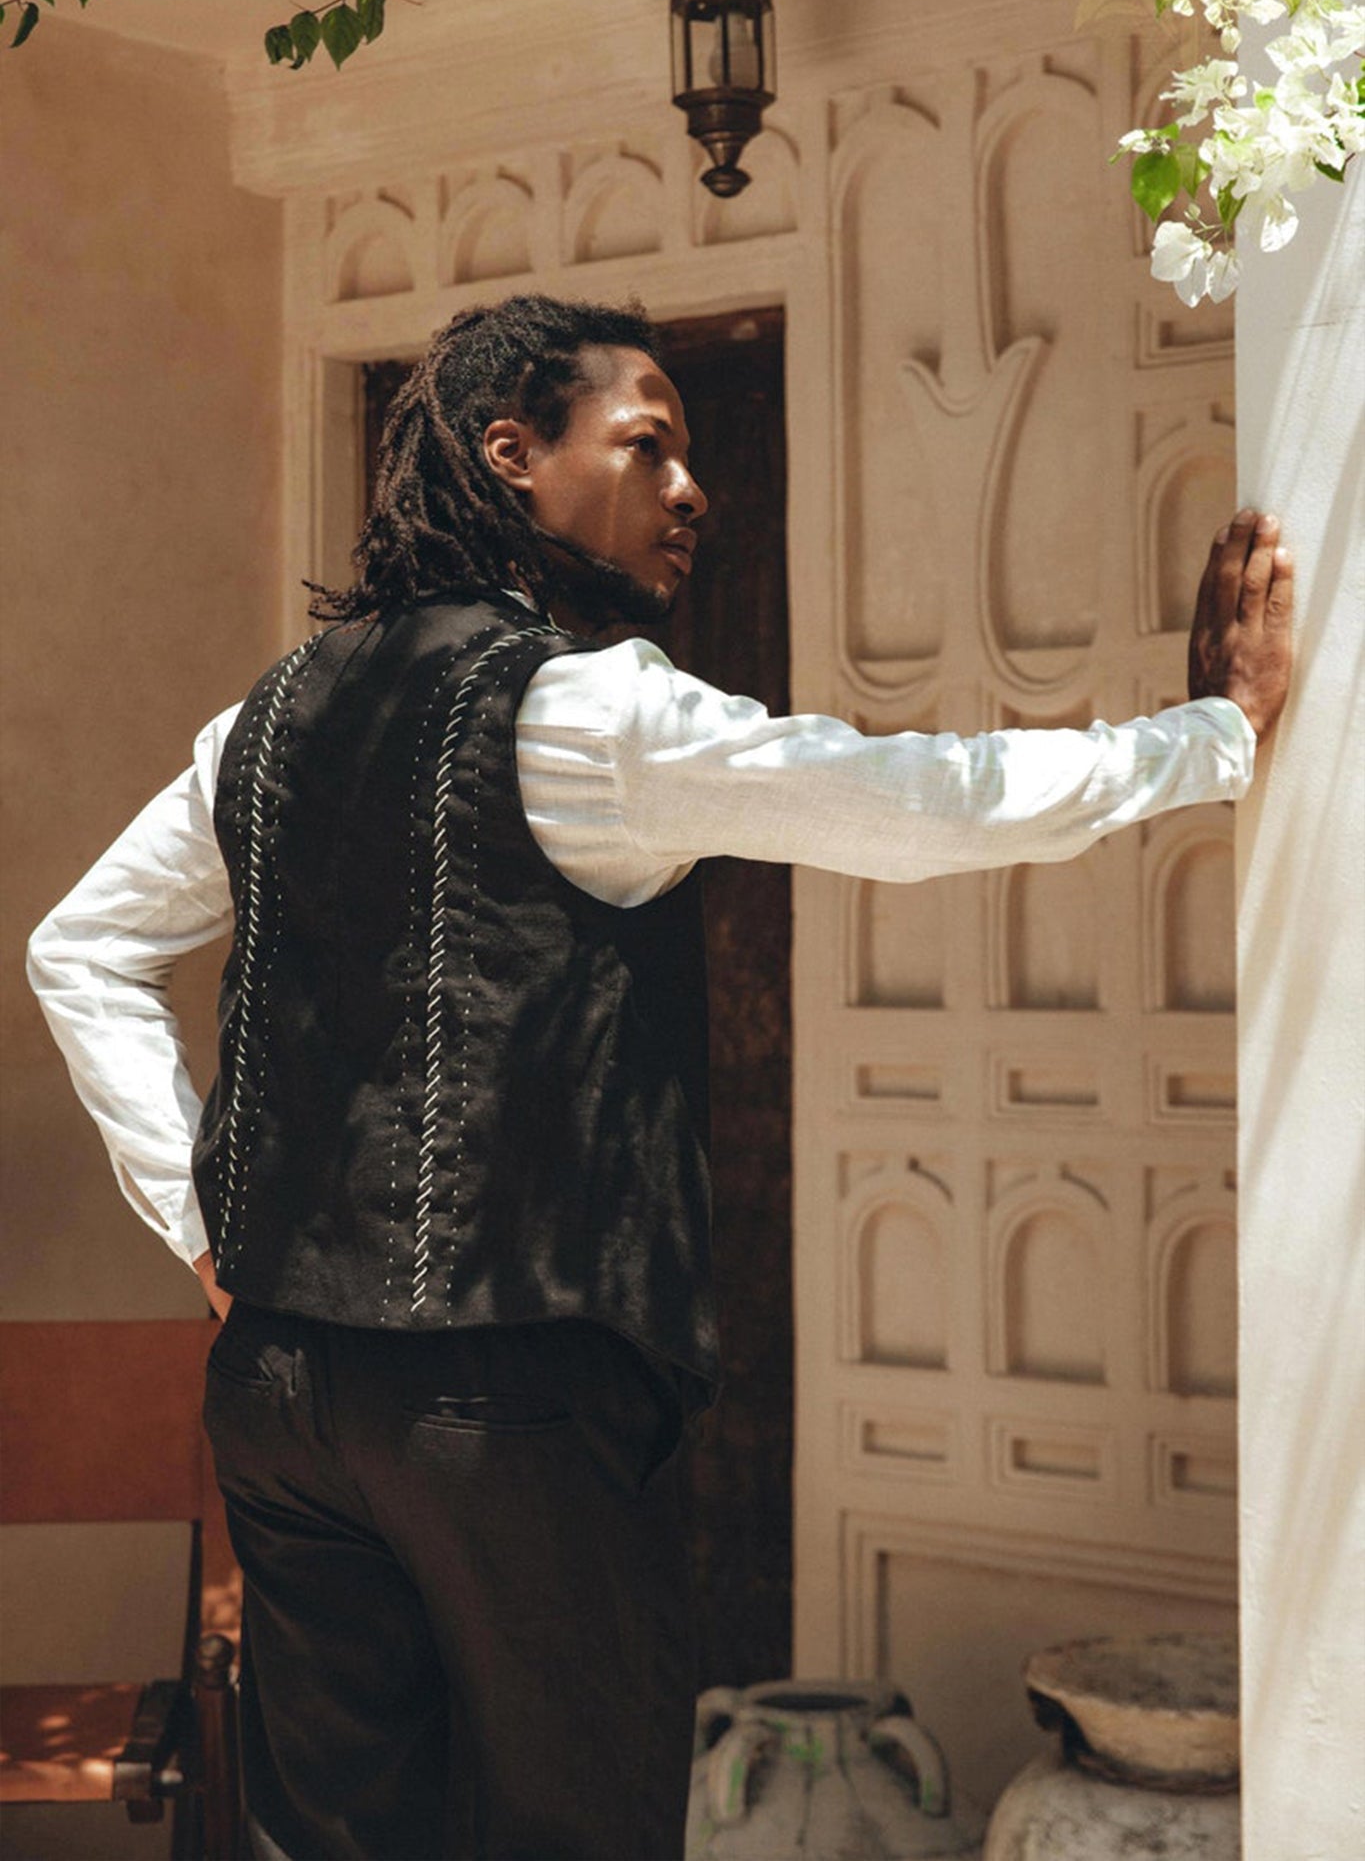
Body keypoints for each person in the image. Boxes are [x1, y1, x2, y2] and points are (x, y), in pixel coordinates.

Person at [27, 293, 1293, 1861]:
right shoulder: (588, 710)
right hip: (505, 1403)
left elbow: (76, 950)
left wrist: (205, 1231)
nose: (691, 491)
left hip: (280, 1395)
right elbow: (925, 803)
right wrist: (1211, 737)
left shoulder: (265, 717)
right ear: (512, 455)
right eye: (646, 445)